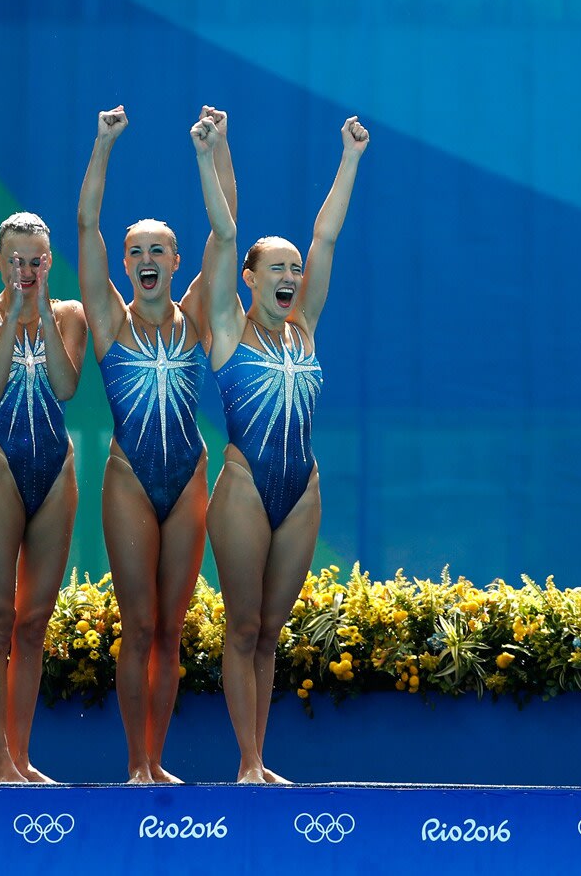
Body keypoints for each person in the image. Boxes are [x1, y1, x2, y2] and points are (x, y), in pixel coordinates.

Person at [195, 111, 368, 783]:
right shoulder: (227, 329)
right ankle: (248, 762)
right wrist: (210, 156)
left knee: (270, 629)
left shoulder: (306, 328)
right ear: (249, 277)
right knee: (242, 629)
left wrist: (350, 157)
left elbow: (327, 234)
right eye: (278, 266)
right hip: (242, 486)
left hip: (302, 492)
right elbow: (224, 230)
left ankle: (261, 759)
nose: (292, 272)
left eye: (295, 267)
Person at [76, 107, 234, 782]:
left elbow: (227, 237)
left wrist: (215, 150)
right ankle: (134, 762)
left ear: (174, 261)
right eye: (134, 250)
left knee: (171, 628)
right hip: (131, 480)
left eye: (156, 251)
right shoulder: (107, 317)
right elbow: (86, 226)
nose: (144, 259)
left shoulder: (196, 314)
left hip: (189, 475)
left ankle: (157, 758)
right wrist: (103, 143)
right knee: (137, 624)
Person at [0, 211, 87, 782]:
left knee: (34, 620)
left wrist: (39, 313)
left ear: (49, 261)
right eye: (16, 260)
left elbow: (64, 386)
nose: (26, 270)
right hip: (0, 469)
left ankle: (23, 754)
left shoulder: (70, 316)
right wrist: (13, 314)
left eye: (36, 260)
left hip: (54, 470)